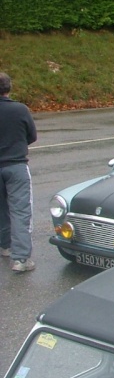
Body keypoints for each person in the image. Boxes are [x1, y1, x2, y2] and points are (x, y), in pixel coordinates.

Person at [0, 72, 37, 273]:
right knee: (20, 211)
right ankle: (21, 258)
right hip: (15, 166)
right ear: (9, 88)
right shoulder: (20, 109)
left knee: (1, 209)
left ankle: (5, 245)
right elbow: (32, 136)